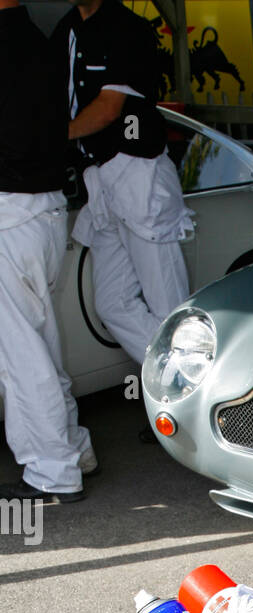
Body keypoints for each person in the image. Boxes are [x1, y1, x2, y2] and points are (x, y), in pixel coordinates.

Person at [52, 0, 193, 367]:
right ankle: (172, 379)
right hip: (98, 181)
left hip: (138, 175)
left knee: (168, 309)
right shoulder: (65, 29)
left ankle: (184, 403)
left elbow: (109, 107)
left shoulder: (129, 28)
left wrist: (52, 137)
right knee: (112, 302)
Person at [0, 0, 96, 505]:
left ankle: (53, 471)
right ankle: (74, 449)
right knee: (41, 339)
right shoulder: (41, 44)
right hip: (46, 211)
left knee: (21, 354)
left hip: (10, 214)